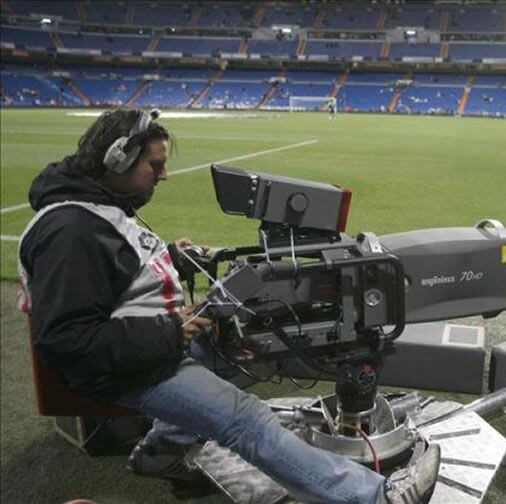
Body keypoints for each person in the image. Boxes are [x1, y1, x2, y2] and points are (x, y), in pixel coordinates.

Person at [17, 109, 439, 504]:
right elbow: (64, 339)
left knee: (252, 352)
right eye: (155, 166)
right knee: (246, 421)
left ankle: (158, 453)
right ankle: (375, 496)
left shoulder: (97, 210)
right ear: (118, 160)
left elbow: (109, 272)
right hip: (125, 368)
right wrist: (169, 332)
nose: (163, 176)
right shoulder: (70, 231)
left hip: (148, 347)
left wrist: (172, 257)